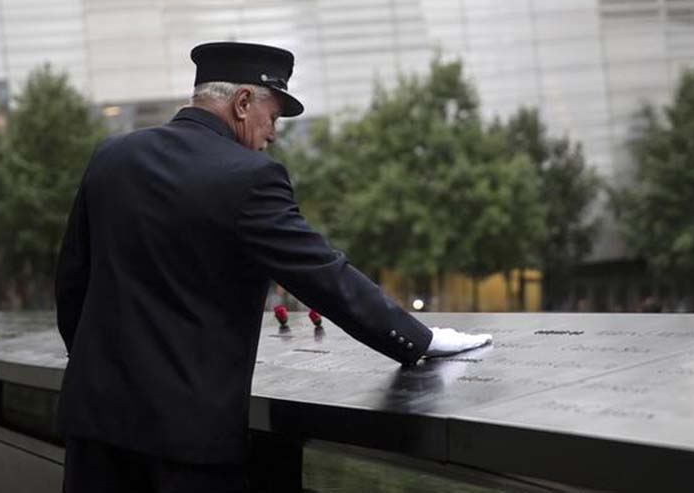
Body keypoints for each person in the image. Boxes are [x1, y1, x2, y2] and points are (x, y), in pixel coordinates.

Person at [54, 42, 492, 493]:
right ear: (242, 102)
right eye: (274, 116)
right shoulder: (249, 176)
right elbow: (323, 275)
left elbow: (72, 283)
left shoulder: (111, 157)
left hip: (94, 429)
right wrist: (420, 339)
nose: (273, 133)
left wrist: (98, 370)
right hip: (186, 445)